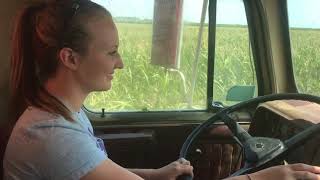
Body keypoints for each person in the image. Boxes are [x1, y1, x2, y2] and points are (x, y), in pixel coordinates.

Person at [2, 0, 320, 180]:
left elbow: (93, 168)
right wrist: (259, 178)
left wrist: (155, 175)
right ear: (70, 58)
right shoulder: (51, 135)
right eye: (111, 52)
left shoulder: (60, 116)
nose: (121, 63)